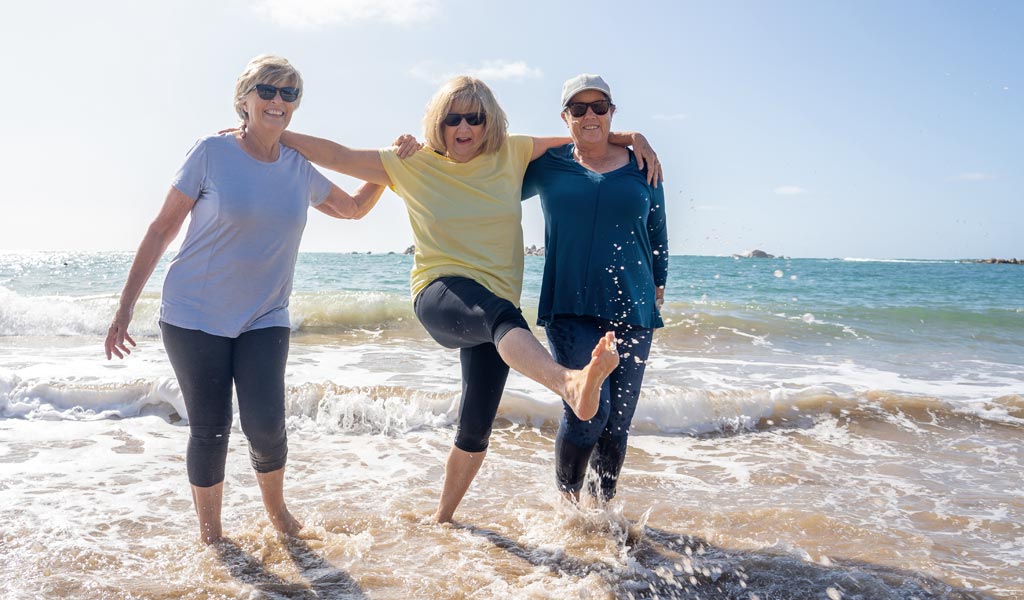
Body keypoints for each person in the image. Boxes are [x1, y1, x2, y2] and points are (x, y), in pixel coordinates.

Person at [277, 76, 661, 523]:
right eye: (452, 118)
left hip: (500, 323)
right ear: (437, 124)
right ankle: (568, 384)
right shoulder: (411, 164)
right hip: (441, 293)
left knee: (477, 424)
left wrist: (633, 137)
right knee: (500, 316)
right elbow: (337, 156)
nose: (463, 127)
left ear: (489, 123)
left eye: (474, 118)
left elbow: (583, 134)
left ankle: (442, 518)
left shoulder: (512, 154)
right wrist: (274, 133)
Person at [103, 55, 399, 544]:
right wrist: (124, 308)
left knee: (265, 426)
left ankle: (277, 514)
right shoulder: (211, 152)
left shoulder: (296, 166)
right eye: (267, 90)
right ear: (244, 99)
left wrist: (390, 169)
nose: (278, 101)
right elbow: (161, 229)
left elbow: (350, 209)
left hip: (265, 314)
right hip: (194, 314)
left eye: (289, 94)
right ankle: (212, 536)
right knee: (211, 427)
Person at [522, 74, 668, 503]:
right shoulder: (550, 166)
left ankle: (601, 512)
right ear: (564, 116)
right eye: (579, 109)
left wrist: (660, 283)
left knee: (617, 421)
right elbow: (493, 177)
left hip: (634, 307)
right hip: (570, 306)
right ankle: (567, 506)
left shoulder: (643, 165)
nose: (590, 115)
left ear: (611, 111)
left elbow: (657, 233)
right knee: (588, 411)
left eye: (599, 107)